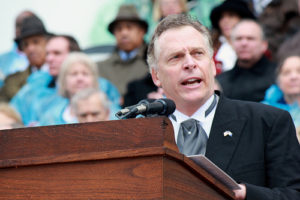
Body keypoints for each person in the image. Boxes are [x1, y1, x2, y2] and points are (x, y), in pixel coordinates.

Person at [147, 14, 300, 199]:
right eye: (176, 57)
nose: (189, 63)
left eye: (198, 53)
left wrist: (245, 194)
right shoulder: (140, 135)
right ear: (156, 76)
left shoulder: (268, 122)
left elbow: (294, 194)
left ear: (212, 65)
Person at [10, 34, 81, 126]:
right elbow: (10, 112)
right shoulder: (37, 83)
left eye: (57, 53)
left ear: (74, 56)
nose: (49, 59)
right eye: (47, 54)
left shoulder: (94, 85)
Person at [38, 52, 120, 126]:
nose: (80, 78)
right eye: (74, 74)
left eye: (85, 74)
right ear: (63, 81)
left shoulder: (113, 112)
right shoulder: (50, 116)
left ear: (95, 80)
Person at [97, 4, 149, 104]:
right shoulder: (100, 68)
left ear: (142, 31)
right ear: (114, 34)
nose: (124, 33)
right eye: (119, 29)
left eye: (129, 27)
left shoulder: (153, 64)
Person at [216, 19, 276, 102]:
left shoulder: (280, 76)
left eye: (250, 38)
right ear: (232, 44)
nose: (244, 43)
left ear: (264, 45)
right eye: (239, 39)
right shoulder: (220, 83)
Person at [0, 15, 51, 102]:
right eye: (25, 44)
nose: (30, 49)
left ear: (47, 42)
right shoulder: (11, 82)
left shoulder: (63, 75)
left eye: (36, 42)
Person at [210, 0, 256, 73]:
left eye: (231, 15)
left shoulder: (257, 45)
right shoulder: (212, 51)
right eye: (221, 17)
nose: (225, 21)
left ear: (242, 19)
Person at [262, 55, 300, 128]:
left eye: (299, 71)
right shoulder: (264, 110)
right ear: (278, 81)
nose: (293, 77)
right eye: (286, 73)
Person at [0, 10, 35, 88]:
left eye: (25, 24)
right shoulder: (2, 59)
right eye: (17, 25)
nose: (20, 29)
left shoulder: (44, 58)